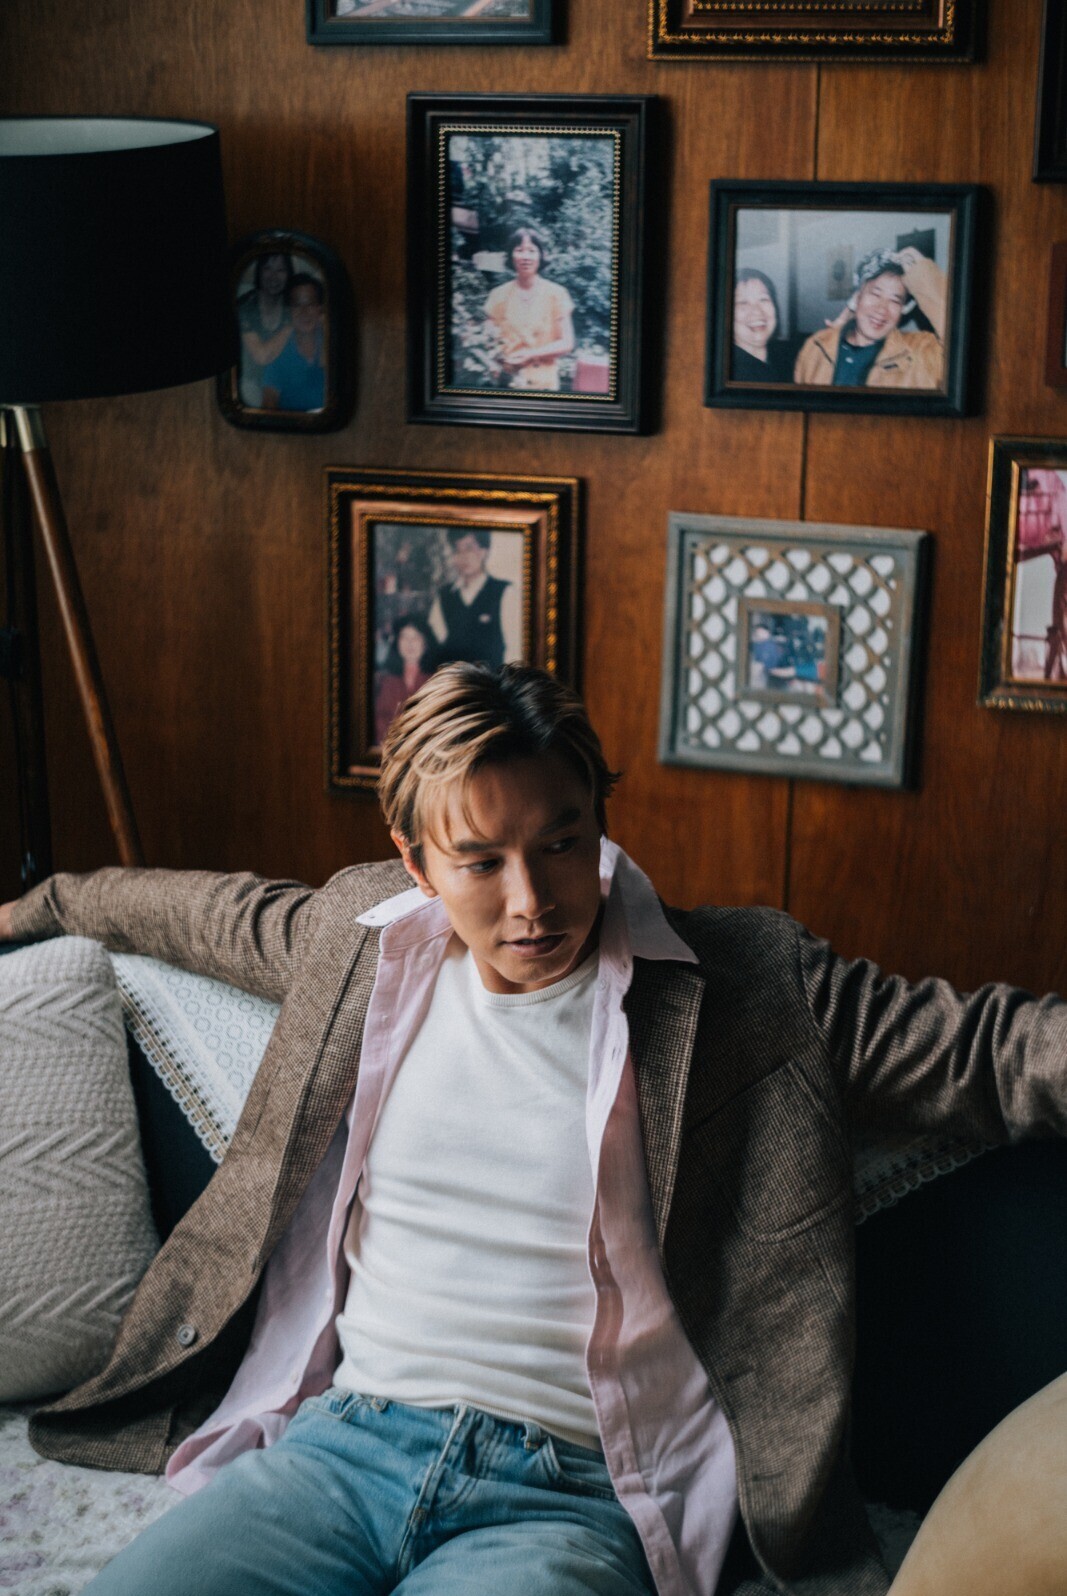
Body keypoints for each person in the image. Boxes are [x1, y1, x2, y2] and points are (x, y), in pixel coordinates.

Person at [4, 662, 1067, 1596]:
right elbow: (200, 912)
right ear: (415, 863)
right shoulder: (358, 942)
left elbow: (991, 1051)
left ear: (599, 823)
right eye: (481, 862)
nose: (532, 902)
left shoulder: (746, 985)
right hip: (339, 1450)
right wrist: (39, 907)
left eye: (562, 844)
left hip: (571, 1493)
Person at [793, 245, 946, 390]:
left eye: (895, 301)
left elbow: (957, 343)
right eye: (875, 294)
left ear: (903, 309)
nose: (882, 309)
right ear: (857, 296)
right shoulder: (816, 348)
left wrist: (923, 273)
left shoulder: (921, 353)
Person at [482, 224, 575, 391]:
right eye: (519, 250)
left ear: (541, 256)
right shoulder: (497, 295)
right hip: (507, 383)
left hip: (544, 384)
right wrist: (499, 360)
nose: (525, 256)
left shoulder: (557, 294)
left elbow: (567, 343)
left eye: (532, 251)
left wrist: (531, 353)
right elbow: (488, 341)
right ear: (511, 256)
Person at [427, 527, 521, 669]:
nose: (463, 556)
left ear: (484, 551)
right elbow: (436, 646)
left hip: (492, 680)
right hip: (457, 680)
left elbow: (514, 650)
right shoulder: (444, 596)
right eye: (457, 550)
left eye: (469, 549)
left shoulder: (505, 592)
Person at [261, 272, 326, 412]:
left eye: (310, 304)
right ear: (289, 311)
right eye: (297, 305)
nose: (304, 312)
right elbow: (269, 401)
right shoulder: (278, 349)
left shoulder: (332, 340)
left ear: (320, 308)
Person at [236, 252, 294, 408]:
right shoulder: (245, 306)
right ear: (259, 272)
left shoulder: (291, 305)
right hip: (251, 382)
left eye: (281, 270)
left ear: (288, 274)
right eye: (268, 268)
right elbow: (261, 356)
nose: (274, 276)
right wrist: (291, 326)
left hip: (283, 380)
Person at [373, 613, 436, 746]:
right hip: (391, 748)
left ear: (425, 643)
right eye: (404, 637)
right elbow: (379, 720)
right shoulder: (386, 680)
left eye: (415, 637)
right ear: (397, 643)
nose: (410, 643)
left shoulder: (436, 679)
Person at [730, 268, 796, 383]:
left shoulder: (788, 357)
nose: (757, 311)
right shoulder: (728, 373)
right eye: (743, 302)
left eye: (763, 299)